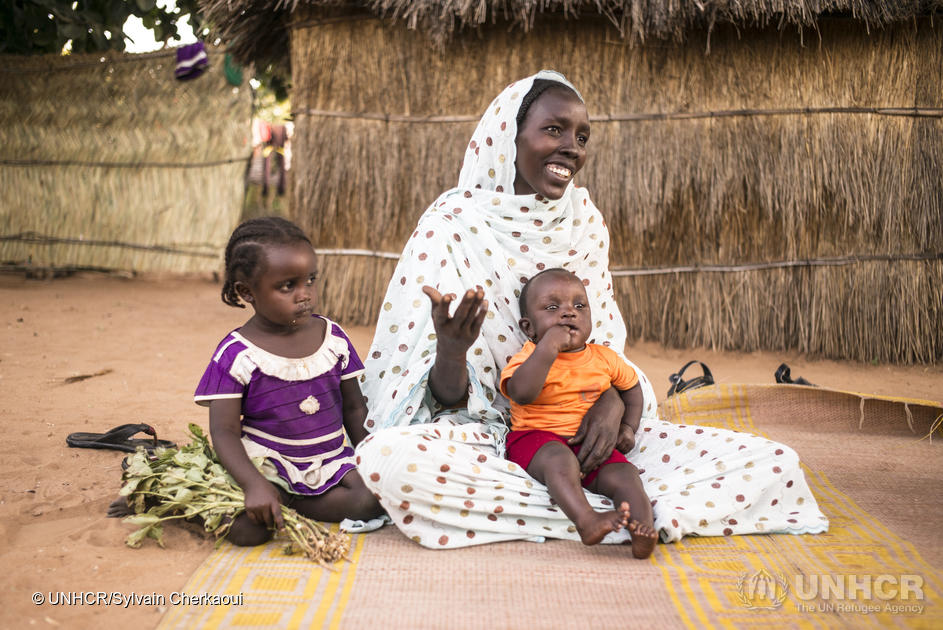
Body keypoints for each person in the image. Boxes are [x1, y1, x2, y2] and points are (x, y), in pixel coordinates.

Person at [355, 70, 828, 549]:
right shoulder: (452, 227)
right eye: (554, 130)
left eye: (582, 136)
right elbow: (442, 400)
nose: (572, 148)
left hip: (588, 430)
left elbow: (602, 349)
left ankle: (588, 508)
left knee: (773, 462)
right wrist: (453, 351)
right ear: (507, 138)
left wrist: (612, 402)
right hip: (487, 438)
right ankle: (613, 512)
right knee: (389, 463)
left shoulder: (584, 221)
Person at [193, 216, 383, 545]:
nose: (304, 294)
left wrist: (374, 459)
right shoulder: (238, 354)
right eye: (287, 286)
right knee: (248, 532)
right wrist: (254, 484)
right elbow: (223, 431)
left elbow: (354, 408)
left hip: (329, 461)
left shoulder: (333, 339)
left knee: (369, 500)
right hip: (267, 464)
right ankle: (250, 502)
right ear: (246, 292)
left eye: (310, 280)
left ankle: (289, 505)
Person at [500, 268, 657, 558]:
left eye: (579, 306)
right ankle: (586, 520)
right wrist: (547, 348)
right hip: (536, 439)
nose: (569, 313)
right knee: (559, 460)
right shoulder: (529, 355)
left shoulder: (604, 358)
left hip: (590, 444)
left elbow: (633, 391)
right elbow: (522, 393)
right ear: (529, 327)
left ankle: (642, 527)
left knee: (625, 474)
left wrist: (627, 429)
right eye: (552, 307)